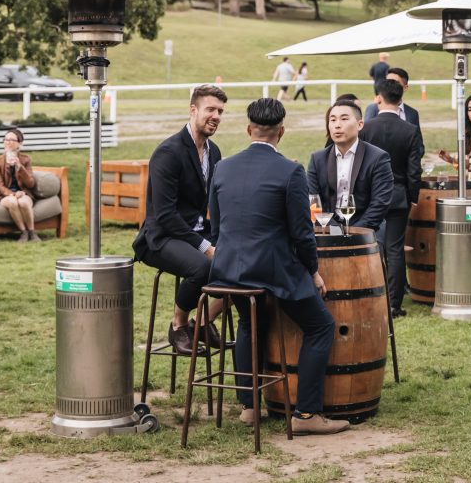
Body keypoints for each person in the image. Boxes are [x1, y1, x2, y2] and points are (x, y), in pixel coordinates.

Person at [208, 98, 349, 435]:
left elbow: (215, 226)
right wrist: (313, 271)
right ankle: (306, 415)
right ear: (281, 132)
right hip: (273, 270)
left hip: (228, 269)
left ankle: (249, 407)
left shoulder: (222, 168)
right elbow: (302, 233)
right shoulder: (290, 171)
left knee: (248, 322)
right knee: (321, 326)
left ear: (248, 130)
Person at [132, 85, 227, 356]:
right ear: (193, 110)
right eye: (210, 109)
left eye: (220, 111)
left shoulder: (214, 152)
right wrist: (205, 247)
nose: (216, 116)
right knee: (202, 267)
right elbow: (165, 215)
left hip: (196, 231)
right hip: (161, 237)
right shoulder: (169, 152)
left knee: (247, 260)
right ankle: (178, 326)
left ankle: (203, 321)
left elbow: (212, 202)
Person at [365, 79, 424, 317]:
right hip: (398, 195)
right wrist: (413, 196)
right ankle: (394, 304)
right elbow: (414, 170)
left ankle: (370, 296)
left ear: (379, 98)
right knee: (395, 249)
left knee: (369, 245)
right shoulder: (410, 130)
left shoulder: (366, 128)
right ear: (400, 100)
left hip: (371, 196)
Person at [308, 98, 394, 234]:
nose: (337, 125)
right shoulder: (317, 159)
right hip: (327, 230)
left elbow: (380, 204)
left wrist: (353, 232)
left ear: (360, 124)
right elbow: (313, 201)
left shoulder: (378, 158)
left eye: (344, 119)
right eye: (333, 120)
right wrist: (336, 232)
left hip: (366, 231)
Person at [0, 128, 39, 242]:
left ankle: (32, 232)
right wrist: (12, 194)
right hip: (5, 195)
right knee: (13, 202)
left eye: (12, 140)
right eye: (6, 139)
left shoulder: (26, 159)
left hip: (23, 194)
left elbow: (30, 184)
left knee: (23, 202)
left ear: (20, 143)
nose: (8, 142)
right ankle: (23, 232)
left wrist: (20, 167)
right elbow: (0, 186)